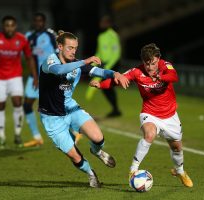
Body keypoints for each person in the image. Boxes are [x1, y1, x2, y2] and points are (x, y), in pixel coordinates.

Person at [90, 43, 193, 188]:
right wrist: (100, 85)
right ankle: (133, 170)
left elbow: (174, 76)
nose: (150, 67)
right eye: (147, 64)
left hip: (170, 116)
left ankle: (180, 171)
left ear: (158, 59)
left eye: (153, 63)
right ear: (143, 62)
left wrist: (161, 77)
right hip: (150, 113)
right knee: (149, 134)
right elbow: (117, 80)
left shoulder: (165, 66)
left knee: (176, 147)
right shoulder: (136, 71)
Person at [39, 30, 129, 188]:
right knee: (75, 157)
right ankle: (90, 173)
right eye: (70, 48)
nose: (73, 51)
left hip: (71, 108)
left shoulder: (77, 63)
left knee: (98, 138)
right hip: (52, 118)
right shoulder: (50, 61)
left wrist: (115, 73)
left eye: (75, 48)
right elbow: (59, 71)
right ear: (60, 46)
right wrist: (85, 61)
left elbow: (99, 72)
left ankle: (97, 151)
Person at [0, 15, 38, 149]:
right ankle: (2, 136)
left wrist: (35, 76)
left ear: (15, 26)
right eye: (7, 25)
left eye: (12, 25)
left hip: (15, 76)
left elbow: (29, 57)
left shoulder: (22, 39)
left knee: (18, 102)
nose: (9, 28)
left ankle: (17, 134)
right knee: (0, 105)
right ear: (3, 27)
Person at [23, 12, 57, 147]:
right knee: (27, 105)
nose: (38, 23)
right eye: (36, 21)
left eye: (40, 21)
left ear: (44, 22)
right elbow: (27, 57)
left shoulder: (50, 35)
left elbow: (61, 53)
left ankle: (74, 131)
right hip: (34, 77)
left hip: (48, 77)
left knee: (52, 109)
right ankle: (37, 137)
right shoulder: (28, 37)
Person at [85, 15, 122, 117]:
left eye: (104, 22)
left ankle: (116, 110)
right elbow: (99, 52)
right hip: (105, 64)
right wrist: (93, 63)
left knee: (108, 86)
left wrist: (108, 66)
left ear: (109, 24)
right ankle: (115, 110)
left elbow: (116, 53)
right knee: (107, 88)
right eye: (101, 22)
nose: (101, 24)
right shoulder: (100, 37)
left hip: (113, 64)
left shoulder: (113, 35)